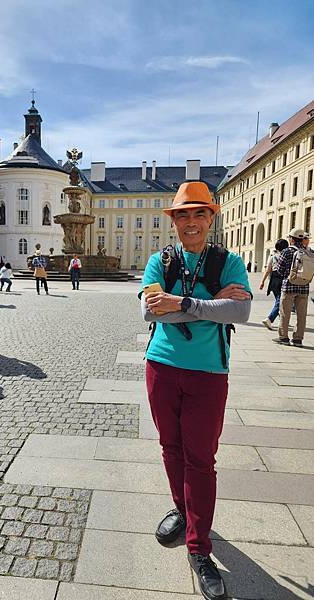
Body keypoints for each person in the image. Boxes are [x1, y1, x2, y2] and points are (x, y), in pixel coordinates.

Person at [140, 181, 251, 600]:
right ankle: (184, 511)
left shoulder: (228, 261)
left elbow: (239, 311)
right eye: (183, 214)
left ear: (211, 216)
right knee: (170, 447)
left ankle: (199, 548)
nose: (191, 221)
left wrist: (183, 303)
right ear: (173, 221)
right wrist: (208, 304)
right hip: (162, 368)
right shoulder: (160, 260)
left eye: (198, 213)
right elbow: (150, 309)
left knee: (200, 460)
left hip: (208, 373)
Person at [274, 228, 310, 346]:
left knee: (285, 312)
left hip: (289, 286)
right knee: (302, 314)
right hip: (304, 286)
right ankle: (298, 339)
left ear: (292, 239)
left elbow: (279, 270)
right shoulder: (309, 252)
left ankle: (283, 337)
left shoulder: (287, 251)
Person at [259, 238, 289, 330]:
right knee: (280, 302)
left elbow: (268, 270)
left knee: (279, 300)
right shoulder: (286, 256)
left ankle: (281, 320)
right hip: (281, 280)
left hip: (273, 281)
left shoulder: (273, 256)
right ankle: (269, 319)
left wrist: (262, 281)